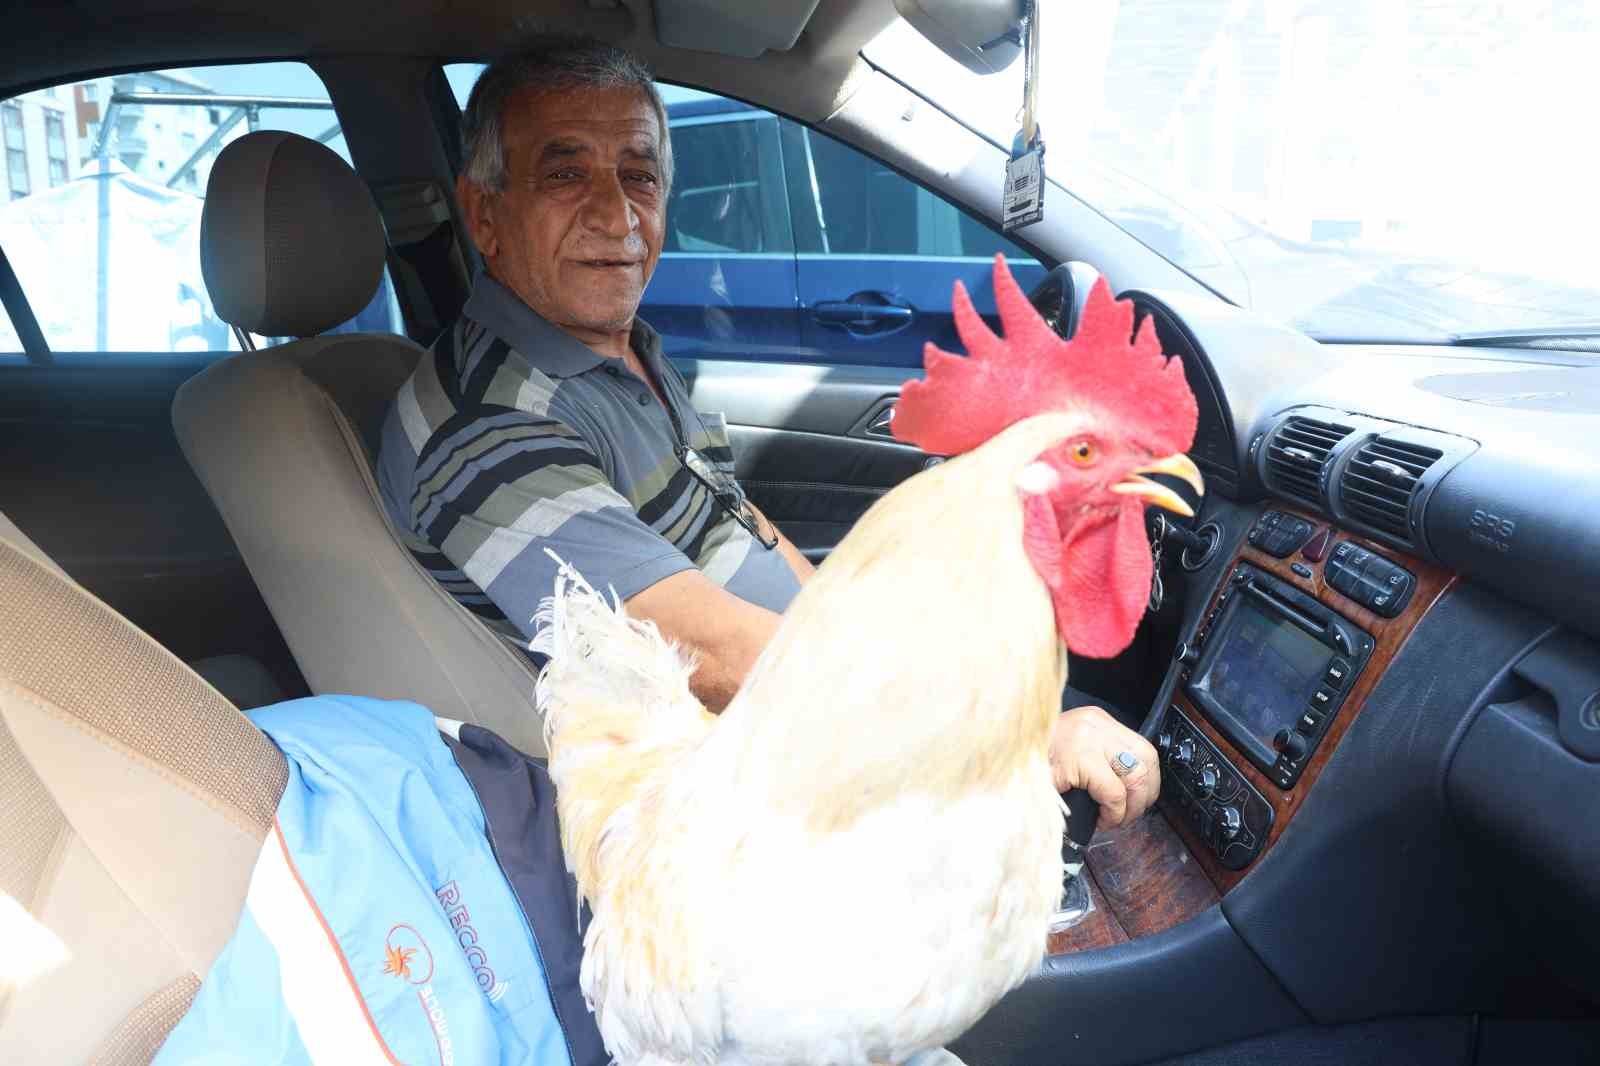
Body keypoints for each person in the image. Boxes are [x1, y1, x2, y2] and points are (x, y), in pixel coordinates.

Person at [377, 35, 1159, 829]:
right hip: (740, 788)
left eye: (638, 175)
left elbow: (738, 524)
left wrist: (882, 636)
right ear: (485, 215)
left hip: (803, 708)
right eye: (566, 172)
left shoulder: (614, 350)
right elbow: (709, 661)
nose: (616, 214)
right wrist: (1006, 742)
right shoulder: (489, 427)